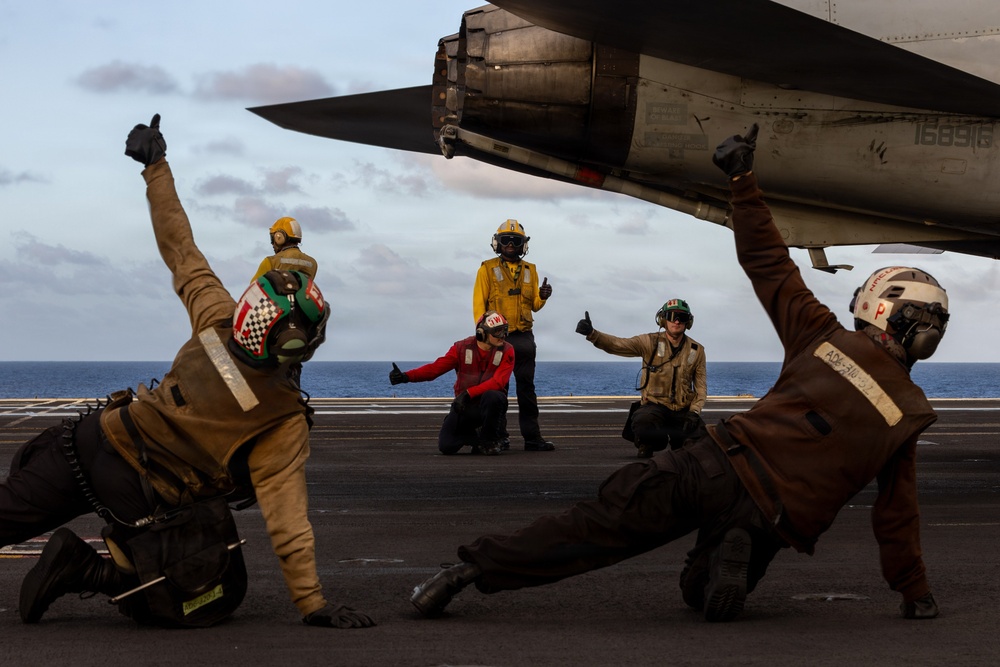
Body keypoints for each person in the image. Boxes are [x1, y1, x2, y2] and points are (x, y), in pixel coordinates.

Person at [409, 123, 948, 624]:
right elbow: (896, 514)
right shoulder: (908, 413)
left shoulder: (824, 335)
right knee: (700, 593)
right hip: (777, 517)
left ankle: (468, 572)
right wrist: (914, 590)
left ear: (875, 307)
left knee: (596, 524)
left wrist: (741, 179)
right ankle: (735, 542)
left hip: (719, 463)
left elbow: (767, 261)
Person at [3, 114, 374, 630]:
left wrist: (156, 166)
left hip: (85, 439)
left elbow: (180, 245)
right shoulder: (281, 421)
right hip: (136, 490)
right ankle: (84, 568)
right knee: (200, 595)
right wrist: (313, 605)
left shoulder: (217, 319)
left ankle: (83, 561)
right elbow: (288, 523)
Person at [576, 301, 707, 457]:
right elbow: (618, 344)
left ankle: (680, 443)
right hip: (655, 407)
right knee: (642, 421)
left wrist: (694, 412)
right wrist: (592, 334)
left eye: (681, 317)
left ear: (688, 322)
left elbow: (700, 387)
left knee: (702, 444)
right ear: (663, 320)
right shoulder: (649, 342)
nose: (677, 321)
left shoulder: (697, 350)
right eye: (672, 316)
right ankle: (649, 442)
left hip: (683, 411)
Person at [473, 219, 554, 452]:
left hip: (524, 337)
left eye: (515, 241)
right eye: (505, 240)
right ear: (497, 244)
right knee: (498, 390)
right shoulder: (486, 269)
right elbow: (479, 304)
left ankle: (532, 438)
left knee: (526, 390)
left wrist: (544, 296)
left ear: (523, 245)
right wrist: (482, 334)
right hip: (497, 338)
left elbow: (535, 305)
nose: (510, 244)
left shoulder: (532, 270)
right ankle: (499, 436)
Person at [390, 311, 514, 456]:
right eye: (497, 332)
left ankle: (491, 440)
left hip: (487, 405)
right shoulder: (461, 348)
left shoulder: (507, 350)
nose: (503, 336)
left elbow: (498, 382)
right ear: (482, 333)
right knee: (446, 446)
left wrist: (468, 393)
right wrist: (405, 376)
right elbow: (435, 369)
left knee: (493, 397)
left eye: (504, 331)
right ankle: (481, 439)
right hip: (465, 406)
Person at [251, 216, 318, 281]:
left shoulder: (270, 262)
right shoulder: (312, 263)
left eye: (272, 238)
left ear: (279, 237)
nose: (272, 244)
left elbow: (254, 287)